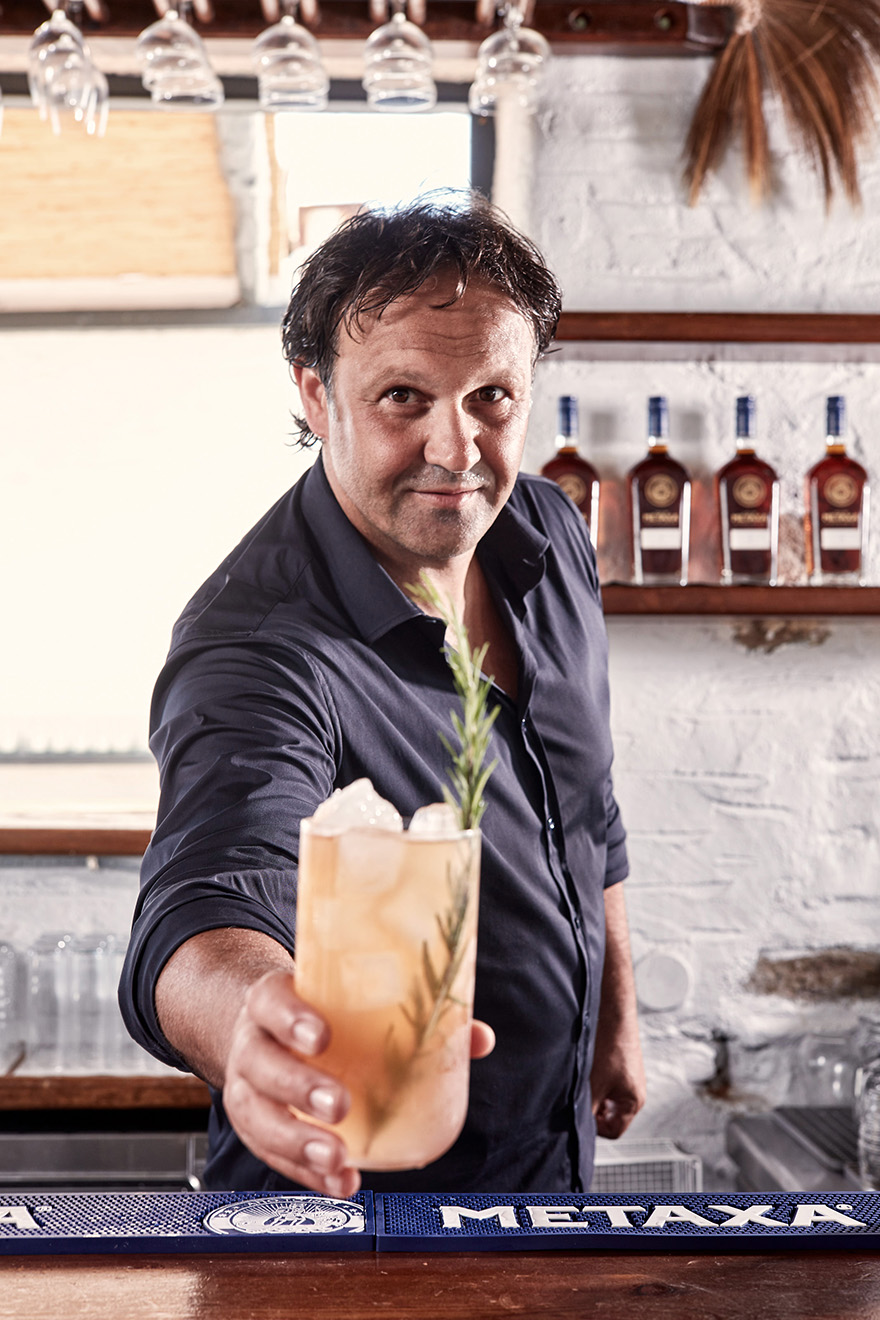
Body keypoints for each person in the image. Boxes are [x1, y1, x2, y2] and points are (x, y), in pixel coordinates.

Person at [119, 194, 646, 1198]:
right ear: (316, 396)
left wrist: (615, 1013)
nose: (458, 449)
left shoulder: (546, 529)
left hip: (546, 1184)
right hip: (345, 1214)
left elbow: (588, 807)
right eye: (404, 396)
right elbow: (207, 897)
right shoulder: (258, 645)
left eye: (492, 397)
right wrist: (251, 1020)